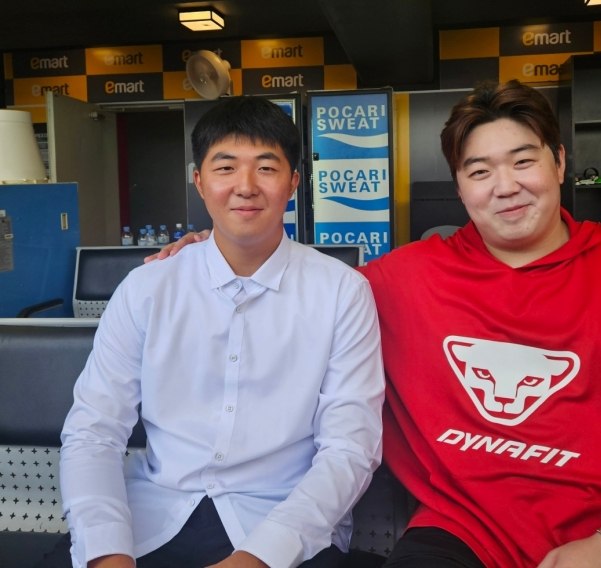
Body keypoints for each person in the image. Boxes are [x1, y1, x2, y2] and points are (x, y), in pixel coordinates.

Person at [156, 81, 601, 568]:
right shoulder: (399, 282)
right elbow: (294, 286)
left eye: (524, 161)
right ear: (460, 185)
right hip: (462, 531)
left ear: (560, 162)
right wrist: (220, 247)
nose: (506, 187)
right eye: (479, 170)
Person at [52, 97, 385, 568]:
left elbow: (349, 447)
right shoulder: (148, 287)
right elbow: (94, 431)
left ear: (293, 182)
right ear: (199, 181)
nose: (245, 187)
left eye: (266, 168)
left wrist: (258, 557)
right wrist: (106, 552)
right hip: (151, 518)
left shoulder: (342, 292)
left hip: (282, 526)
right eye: (226, 167)